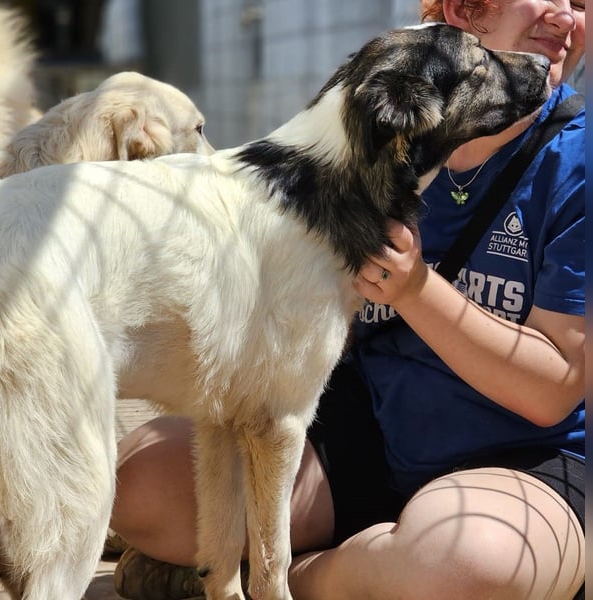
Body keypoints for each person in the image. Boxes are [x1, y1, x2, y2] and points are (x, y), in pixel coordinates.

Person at [108, 0, 586, 598]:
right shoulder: (379, 122)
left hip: (519, 460)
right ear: (462, 11)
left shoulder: (578, 165)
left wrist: (415, 291)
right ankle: (372, 565)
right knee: (136, 485)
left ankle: (301, 575)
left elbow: (555, 389)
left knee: (464, 566)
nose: (568, 17)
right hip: (364, 429)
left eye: (580, 2)